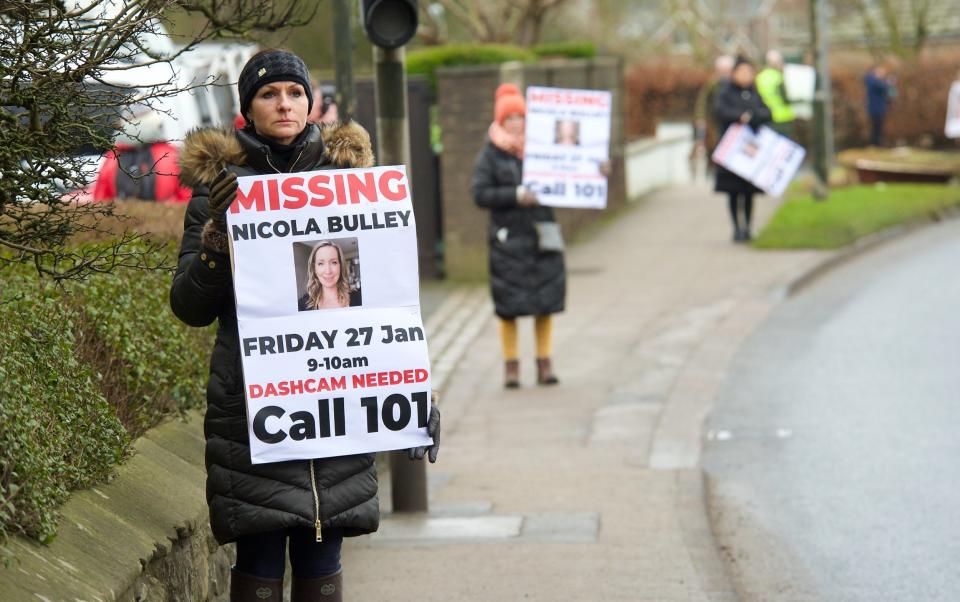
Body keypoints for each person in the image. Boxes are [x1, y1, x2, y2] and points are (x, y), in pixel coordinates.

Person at [170, 48, 440, 602]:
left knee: (325, 559)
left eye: (294, 92)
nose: (284, 103)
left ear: (311, 102)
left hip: (337, 410)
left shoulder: (352, 182)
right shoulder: (220, 188)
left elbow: (389, 309)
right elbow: (189, 306)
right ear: (248, 108)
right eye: (269, 94)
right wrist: (219, 239)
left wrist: (412, 397)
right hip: (253, 407)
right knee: (261, 556)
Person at [471, 83, 568, 388]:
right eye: (509, 117)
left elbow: (569, 177)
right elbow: (480, 193)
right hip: (508, 239)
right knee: (509, 306)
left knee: (546, 302)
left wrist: (596, 173)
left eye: (520, 116)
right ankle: (511, 366)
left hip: (542, 234)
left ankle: (544, 363)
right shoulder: (489, 155)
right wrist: (515, 194)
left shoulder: (545, 148)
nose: (515, 122)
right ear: (500, 121)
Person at [712, 55, 772, 243]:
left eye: (749, 72)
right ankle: (736, 228)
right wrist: (741, 117)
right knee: (733, 192)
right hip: (732, 152)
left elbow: (766, 112)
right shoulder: (725, 92)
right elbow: (720, 112)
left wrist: (754, 117)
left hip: (751, 152)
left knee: (748, 193)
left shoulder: (755, 92)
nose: (746, 76)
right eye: (742, 72)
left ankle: (747, 228)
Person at [298, 240, 362, 310]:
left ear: (341, 266)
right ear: (314, 268)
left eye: (334, 262)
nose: (328, 271)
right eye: (321, 263)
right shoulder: (302, 306)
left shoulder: (359, 298)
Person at [694, 55, 735, 156]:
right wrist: (701, 118)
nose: (725, 73)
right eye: (723, 70)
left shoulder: (736, 83)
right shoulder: (713, 83)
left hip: (732, 120)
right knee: (714, 145)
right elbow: (703, 101)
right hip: (714, 121)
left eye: (727, 70)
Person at [756, 49, 796, 138]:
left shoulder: (759, 77)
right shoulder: (780, 77)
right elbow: (787, 97)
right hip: (783, 117)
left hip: (767, 117)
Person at [865, 64, 894, 146]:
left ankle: (876, 144)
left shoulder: (874, 81)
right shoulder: (873, 81)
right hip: (875, 109)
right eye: (880, 72)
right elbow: (884, 88)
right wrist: (888, 82)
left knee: (878, 127)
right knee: (876, 128)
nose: (882, 74)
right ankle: (875, 144)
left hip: (878, 108)